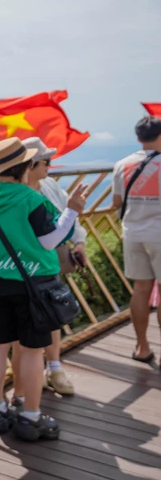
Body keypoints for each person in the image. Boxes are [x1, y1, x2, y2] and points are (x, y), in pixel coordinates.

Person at [0, 137, 85, 442]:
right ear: (24, 168)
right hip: (32, 285)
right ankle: (30, 417)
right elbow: (50, 240)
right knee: (33, 351)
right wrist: (72, 210)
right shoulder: (30, 199)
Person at [18, 137, 85, 396]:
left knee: (51, 313)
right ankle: (28, 387)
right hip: (25, 266)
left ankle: (54, 368)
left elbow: (67, 212)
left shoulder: (49, 187)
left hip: (47, 263)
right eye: (46, 161)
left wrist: (79, 241)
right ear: (31, 164)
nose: (50, 165)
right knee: (27, 323)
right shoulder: (18, 193)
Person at [112, 116, 161, 364]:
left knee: (141, 290)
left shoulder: (122, 164)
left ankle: (142, 347)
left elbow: (117, 202)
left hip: (133, 233)